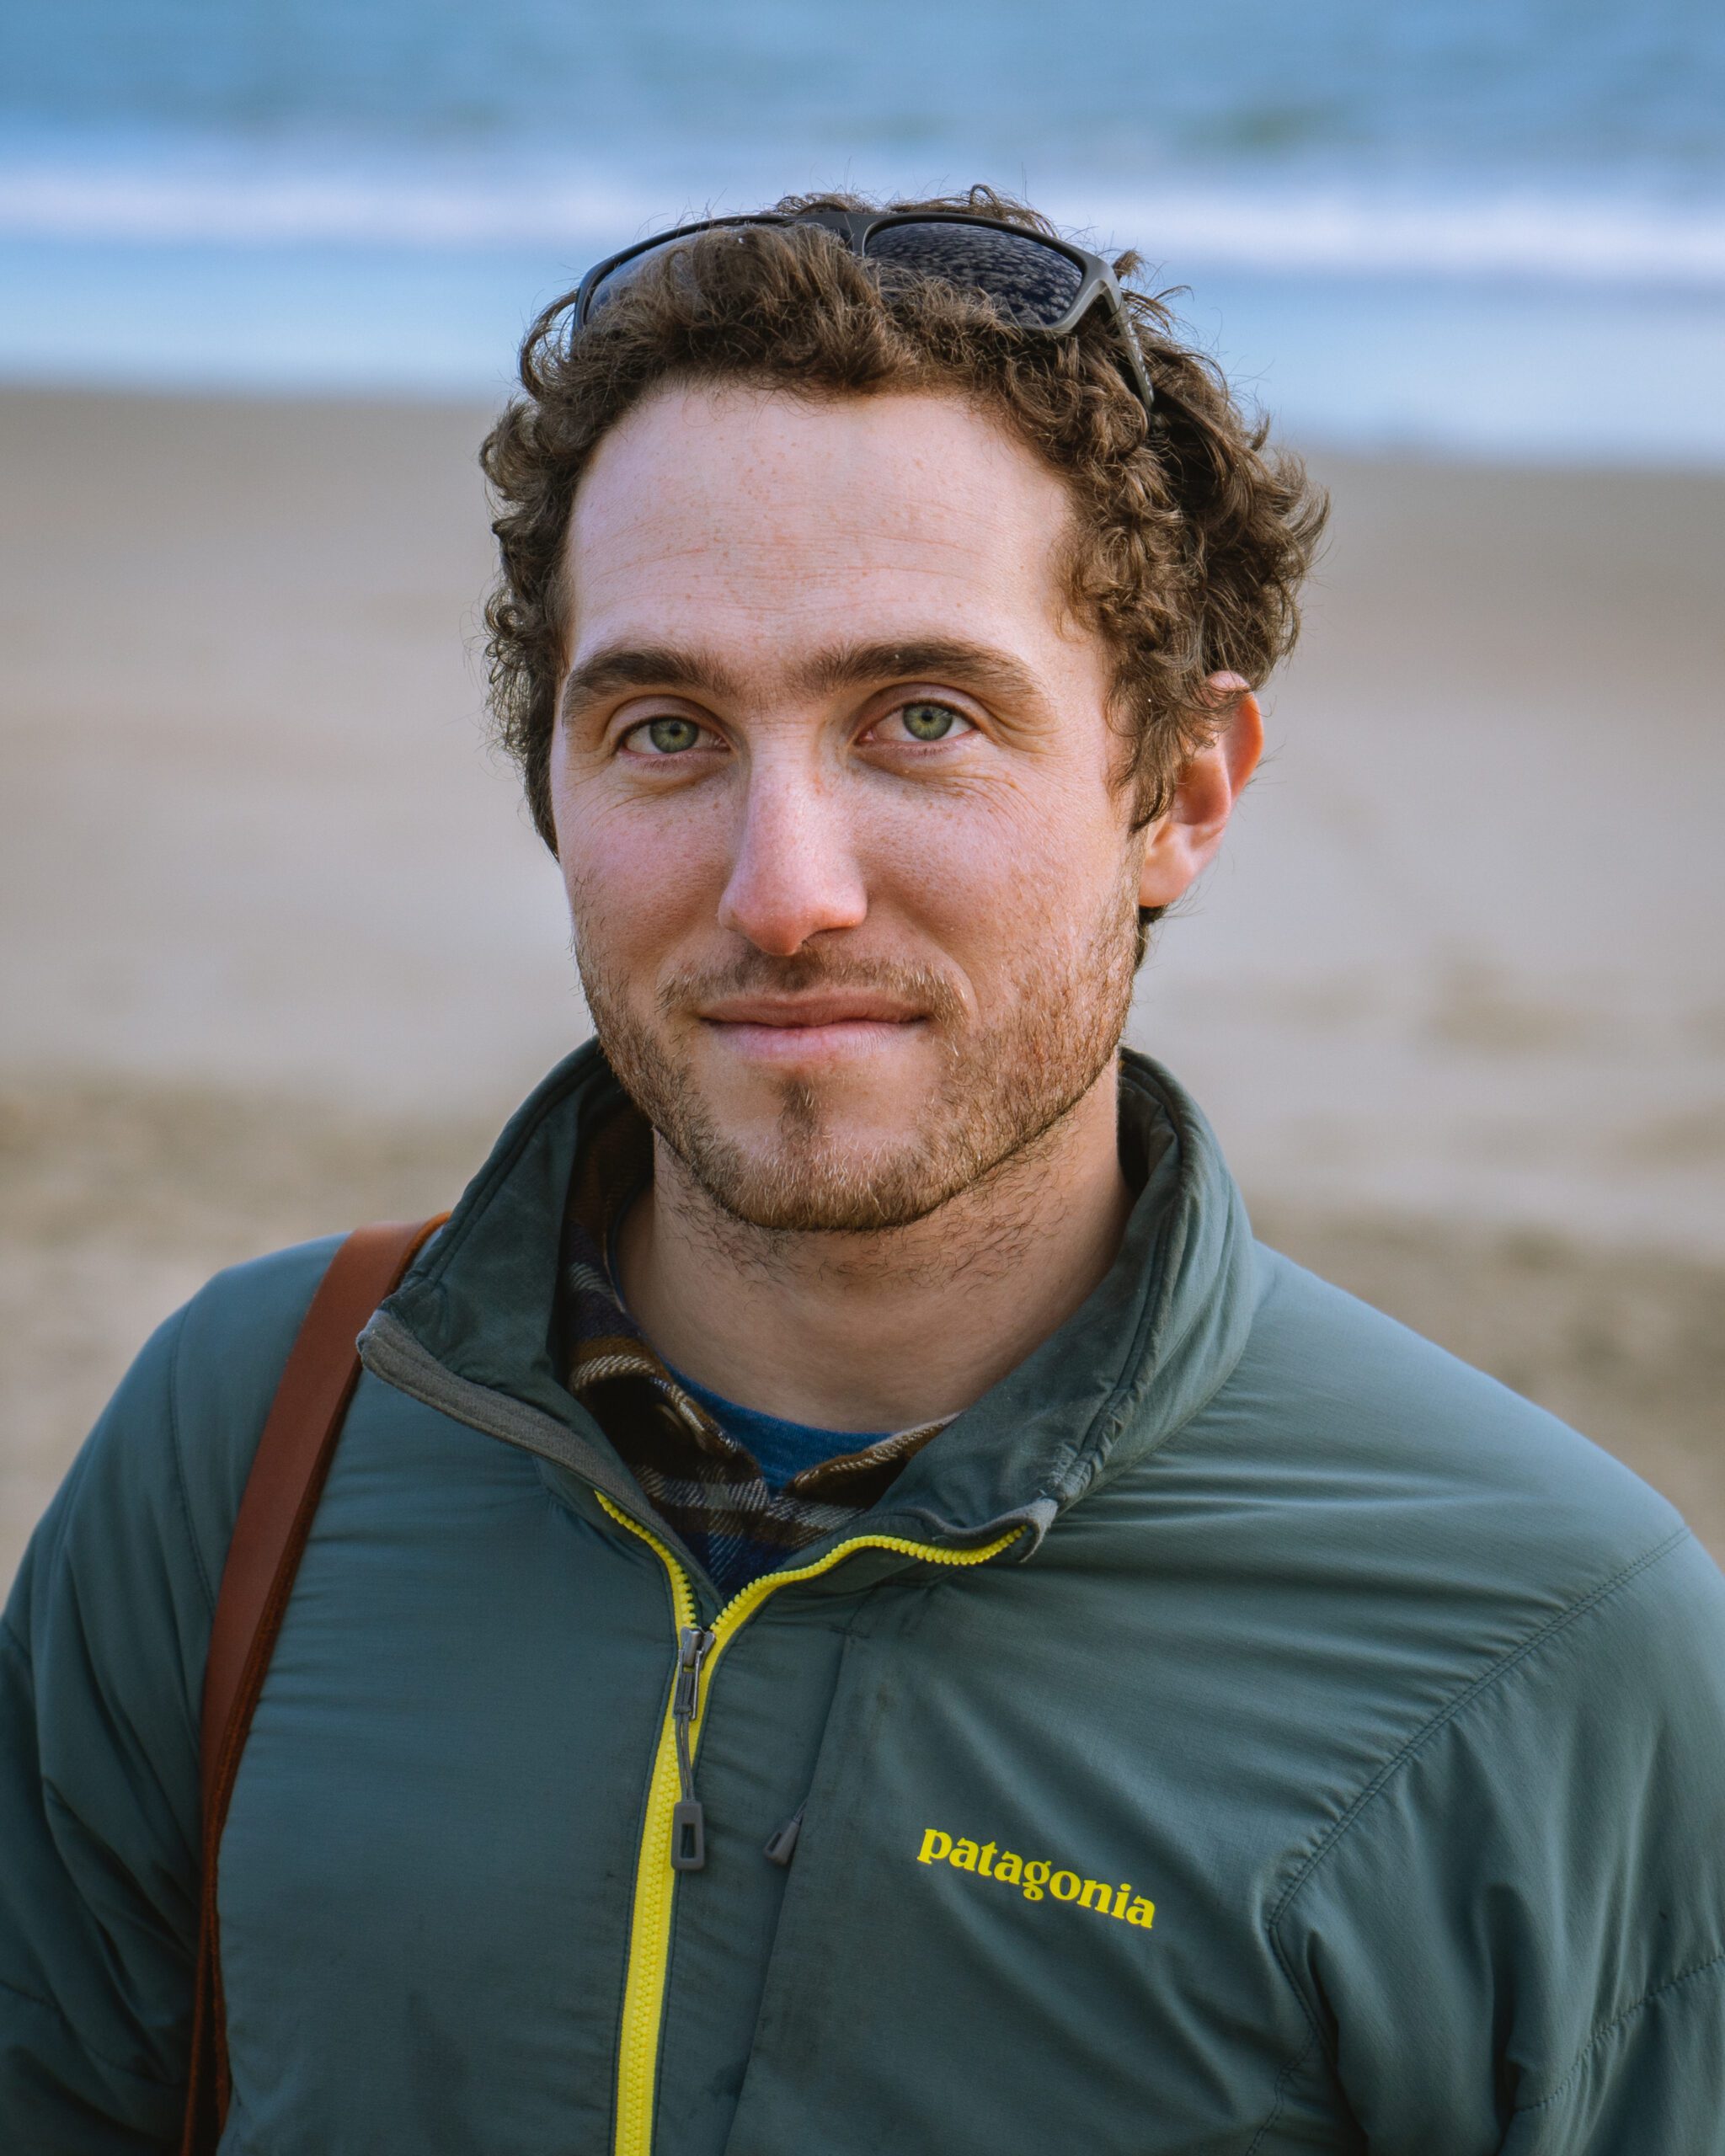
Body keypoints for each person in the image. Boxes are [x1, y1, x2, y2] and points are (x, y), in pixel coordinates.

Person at [3, 187, 1722, 2155]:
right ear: (552, 785)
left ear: (1177, 793)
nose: (782, 891)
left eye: (920, 719)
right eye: (665, 728)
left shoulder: (1540, 1650)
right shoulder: (253, 1440)